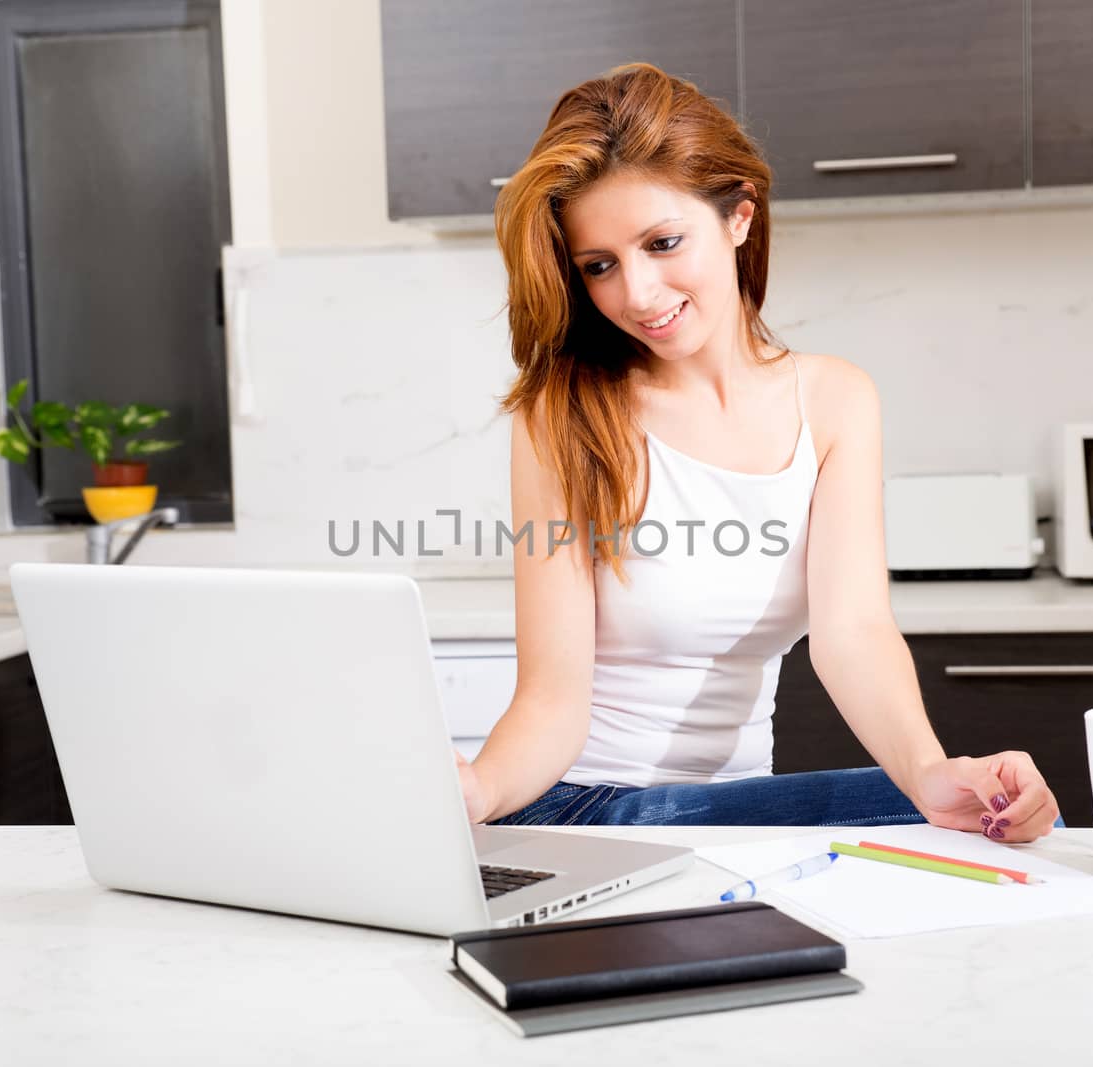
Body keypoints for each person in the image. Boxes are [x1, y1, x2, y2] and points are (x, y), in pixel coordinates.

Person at [454, 63, 1060, 842]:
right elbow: (552, 699)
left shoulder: (835, 402)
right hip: (590, 808)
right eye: (599, 265)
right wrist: (480, 788)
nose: (636, 292)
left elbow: (854, 633)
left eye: (663, 242)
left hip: (735, 816)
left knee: (987, 813)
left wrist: (929, 770)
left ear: (739, 217)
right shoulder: (562, 418)